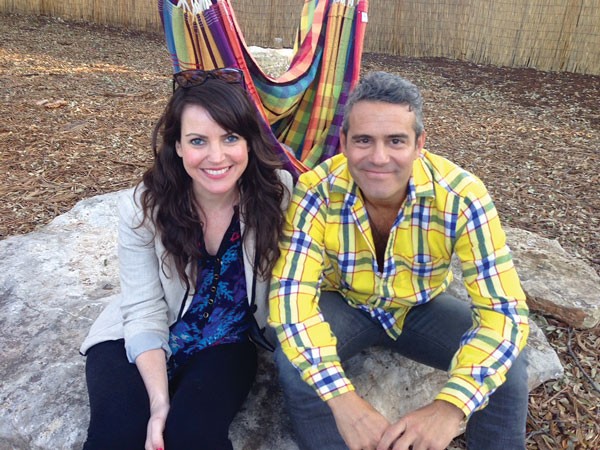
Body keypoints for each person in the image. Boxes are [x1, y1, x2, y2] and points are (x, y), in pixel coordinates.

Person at [269, 71, 530, 450]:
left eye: (396, 141)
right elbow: (292, 302)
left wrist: (450, 406)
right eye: (363, 140)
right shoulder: (316, 192)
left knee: (508, 365)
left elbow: (503, 313)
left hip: (419, 306)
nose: (378, 157)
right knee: (294, 361)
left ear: (420, 144)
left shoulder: (462, 196)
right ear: (343, 143)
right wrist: (345, 402)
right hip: (344, 302)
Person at [80, 68, 293, 450]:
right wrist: (159, 403)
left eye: (230, 137)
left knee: (194, 437)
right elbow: (143, 308)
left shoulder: (277, 195)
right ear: (177, 146)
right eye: (198, 140)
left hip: (225, 343)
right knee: (117, 437)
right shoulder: (143, 208)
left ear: (248, 142)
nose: (216, 156)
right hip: (137, 339)